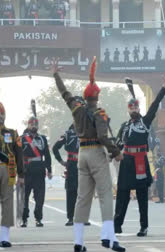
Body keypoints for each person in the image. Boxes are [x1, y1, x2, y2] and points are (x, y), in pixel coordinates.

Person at [52, 57, 125, 252]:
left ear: (85, 97)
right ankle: (108, 237)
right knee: (105, 194)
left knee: (82, 198)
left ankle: (78, 242)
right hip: (96, 153)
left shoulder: (77, 110)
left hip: (81, 153)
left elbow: (64, 93)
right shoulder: (99, 113)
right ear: (97, 97)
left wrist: (56, 75)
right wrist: (116, 152)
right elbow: (102, 136)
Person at [114, 76, 165, 237]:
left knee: (142, 195)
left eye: (136, 107)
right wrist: (114, 150)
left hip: (140, 162)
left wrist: (164, 88)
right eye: (131, 108)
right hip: (126, 162)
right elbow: (118, 145)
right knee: (122, 194)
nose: (134, 109)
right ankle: (117, 225)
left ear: (138, 108)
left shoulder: (145, 121)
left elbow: (153, 105)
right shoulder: (124, 126)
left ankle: (143, 226)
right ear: (128, 110)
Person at [0, 102, 24, 248]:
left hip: (9, 170)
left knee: (8, 204)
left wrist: (21, 174)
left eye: (2, 113)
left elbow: (19, 154)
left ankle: (5, 237)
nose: (0, 116)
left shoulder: (13, 133)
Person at [53, 123, 90, 226]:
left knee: (84, 192)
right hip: (72, 165)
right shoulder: (68, 134)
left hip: (85, 164)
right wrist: (61, 161)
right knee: (71, 192)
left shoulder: (88, 132)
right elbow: (55, 148)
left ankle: (84, 217)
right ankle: (70, 217)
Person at [21, 115, 52, 228]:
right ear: (28, 125)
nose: (34, 126)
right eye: (32, 124)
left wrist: (49, 169)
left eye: (36, 124)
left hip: (39, 169)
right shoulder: (22, 138)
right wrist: (19, 171)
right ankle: (24, 219)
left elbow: (47, 156)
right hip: (27, 170)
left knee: (40, 197)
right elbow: (18, 155)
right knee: (24, 197)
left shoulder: (43, 138)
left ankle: (38, 218)